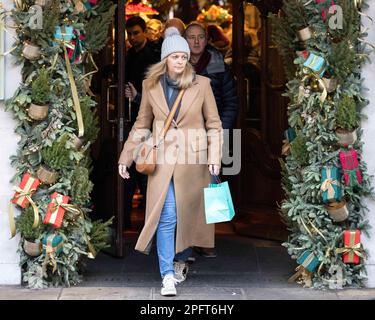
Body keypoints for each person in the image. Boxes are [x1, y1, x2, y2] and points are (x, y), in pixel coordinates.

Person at [118, 27, 223, 296]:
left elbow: (214, 124)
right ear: (165, 59)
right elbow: (142, 124)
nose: (179, 61)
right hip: (162, 159)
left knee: (188, 215)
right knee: (167, 215)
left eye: (183, 56)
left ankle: (180, 261)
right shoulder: (150, 85)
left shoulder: (202, 85)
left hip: (193, 160)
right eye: (174, 56)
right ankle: (166, 274)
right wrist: (126, 156)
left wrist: (214, 157)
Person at [184, 21, 238, 258]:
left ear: (207, 40)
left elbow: (231, 102)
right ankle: (186, 239)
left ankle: (205, 240)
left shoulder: (219, 67)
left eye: (200, 37)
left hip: (211, 134)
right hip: (184, 136)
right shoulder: (177, 64)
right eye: (191, 37)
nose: (196, 42)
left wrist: (219, 131)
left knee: (210, 185)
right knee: (186, 188)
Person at [124, 16, 161, 228]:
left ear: (145, 31)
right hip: (132, 118)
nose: (133, 38)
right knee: (133, 169)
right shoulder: (129, 55)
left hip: (150, 119)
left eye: (136, 33)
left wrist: (138, 96)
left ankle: (151, 220)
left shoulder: (153, 56)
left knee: (148, 171)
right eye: (130, 34)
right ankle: (127, 218)